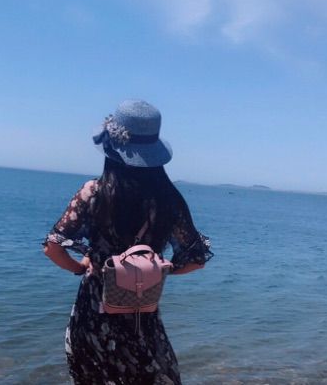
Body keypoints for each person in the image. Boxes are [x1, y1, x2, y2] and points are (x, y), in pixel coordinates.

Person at [43, 99, 213, 385]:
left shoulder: (94, 193)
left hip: (94, 312)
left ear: (111, 150)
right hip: (141, 316)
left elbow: (53, 248)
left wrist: (80, 267)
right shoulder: (168, 199)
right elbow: (196, 260)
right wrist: (156, 270)